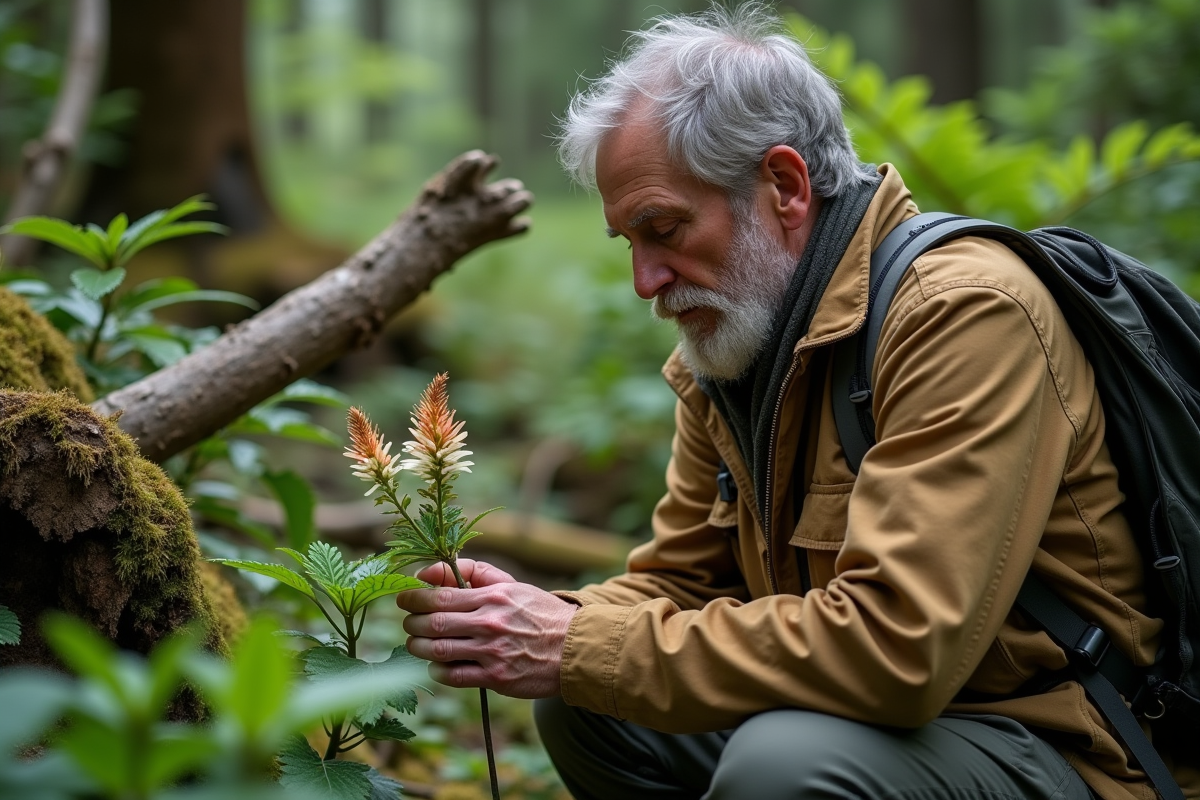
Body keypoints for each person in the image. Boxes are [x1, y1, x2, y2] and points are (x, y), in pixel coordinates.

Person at [396, 5, 1184, 799]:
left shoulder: (965, 312)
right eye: (628, 242)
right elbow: (682, 585)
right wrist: (531, 621)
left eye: (663, 228)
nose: (646, 280)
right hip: (894, 729)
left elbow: (899, 652)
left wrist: (575, 643)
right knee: (591, 705)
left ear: (784, 185)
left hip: (1065, 744)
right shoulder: (740, 338)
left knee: (784, 764)